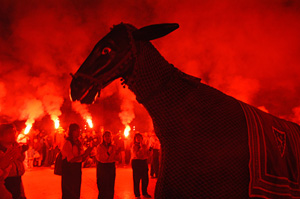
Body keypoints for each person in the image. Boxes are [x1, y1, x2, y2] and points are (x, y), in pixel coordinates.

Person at [60, 123, 94, 199]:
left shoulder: (79, 143)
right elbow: (71, 159)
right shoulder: (67, 143)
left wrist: (89, 150)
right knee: (69, 192)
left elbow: (81, 158)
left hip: (77, 170)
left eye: (79, 130)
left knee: (76, 191)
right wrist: (83, 156)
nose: (79, 132)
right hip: (69, 171)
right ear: (71, 131)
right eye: (76, 130)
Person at [0, 123, 28, 199]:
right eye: (9, 133)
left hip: (17, 182)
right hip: (5, 184)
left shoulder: (16, 148)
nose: (13, 134)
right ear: (1, 137)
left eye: (14, 132)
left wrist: (20, 156)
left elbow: (19, 169)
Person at [96, 131, 121, 199]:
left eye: (109, 136)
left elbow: (117, 159)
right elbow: (100, 158)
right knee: (102, 187)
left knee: (110, 186)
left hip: (111, 167)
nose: (107, 137)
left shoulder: (113, 146)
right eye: (106, 136)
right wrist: (108, 153)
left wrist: (117, 153)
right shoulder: (99, 147)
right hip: (102, 168)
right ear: (103, 137)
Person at [131, 133, 151, 199]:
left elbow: (147, 155)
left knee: (145, 179)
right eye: (137, 138)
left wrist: (150, 151)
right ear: (135, 139)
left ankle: (144, 192)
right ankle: (137, 194)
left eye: (140, 137)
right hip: (136, 162)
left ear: (142, 139)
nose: (138, 139)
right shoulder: (134, 146)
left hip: (143, 162)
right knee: (136, 179)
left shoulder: (144, 145)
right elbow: (137, 155)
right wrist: (141, 148)